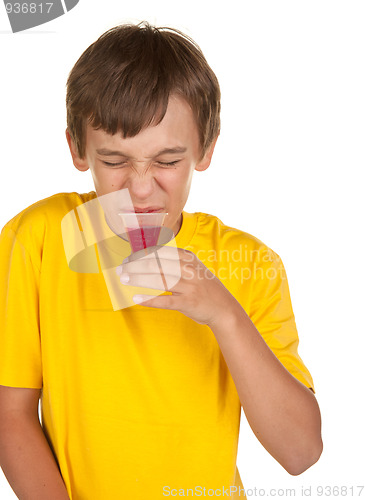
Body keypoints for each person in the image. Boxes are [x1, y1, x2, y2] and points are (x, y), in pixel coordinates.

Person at [0, 22, 322, 500]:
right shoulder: (40, 238)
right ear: (77, 148)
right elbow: (11, 414)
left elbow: (300, 454)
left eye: (168, 161)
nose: (141, 187)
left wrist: (223, 314)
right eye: (115, 160)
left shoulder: (251, 262)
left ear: (206, 150)